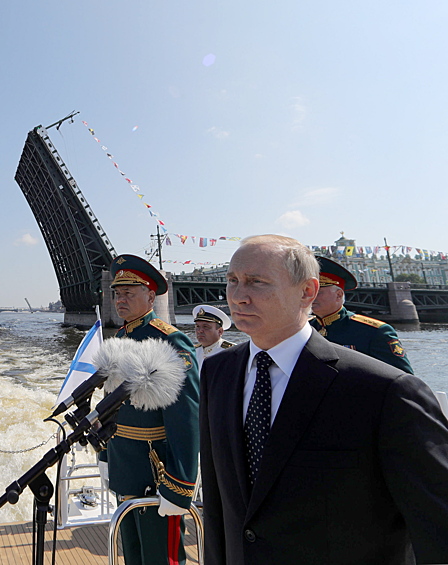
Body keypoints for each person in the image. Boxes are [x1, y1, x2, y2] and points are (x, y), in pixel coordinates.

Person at [199, 234, 448, 565]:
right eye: (232, 281)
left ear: (307, 292)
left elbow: (437, 527)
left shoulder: (386, 392)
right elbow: (219, 507)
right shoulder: (218, 371)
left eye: (257, 282)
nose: (239, 297)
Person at [99, 254, 200, 565]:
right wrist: (105, 455)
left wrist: (180, 483)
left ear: (151, 296)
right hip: (125, 464)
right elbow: (110, 406)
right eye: (117, 293)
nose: (120, 300)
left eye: (129, 292)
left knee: (161, 556)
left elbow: (186, 416)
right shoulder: (120, 337)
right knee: (133, 553)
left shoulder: (169, 341)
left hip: (155, 472)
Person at [310, 255, 414, 373]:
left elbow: (404, 378)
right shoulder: (305, 328)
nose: (311, 297)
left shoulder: (374, 331)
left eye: (318, 292)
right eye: (309, 291)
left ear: (339, 295)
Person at [192, 304, 235, 369]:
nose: (200, 331)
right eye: (197, 326)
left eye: (205, 327)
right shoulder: (192, 352)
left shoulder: (231, 353)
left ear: (220, 331)